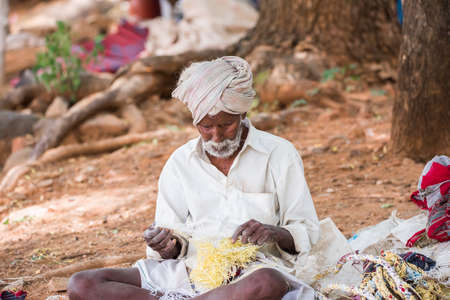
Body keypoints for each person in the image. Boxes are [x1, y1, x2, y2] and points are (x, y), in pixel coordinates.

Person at [67, 56, 320, 300]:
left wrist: (273, 233)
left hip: (254, 271)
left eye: (226, 125)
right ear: (194, 120)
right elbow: (170, 247)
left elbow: (307, 232)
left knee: (268, 283)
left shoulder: (279, 153)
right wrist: (168, 245)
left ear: (243, 114)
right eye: (206, 127)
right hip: (189, 273)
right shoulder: (179, 163)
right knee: (82, 284)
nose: (217, 137)